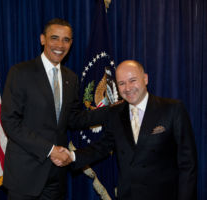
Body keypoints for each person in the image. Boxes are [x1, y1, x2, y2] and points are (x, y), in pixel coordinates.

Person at [1, 18, 108, 200]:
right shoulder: (20, 72)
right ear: (43, 39)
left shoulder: (71, 78)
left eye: (66, 40)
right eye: (55, 38)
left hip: (56, 176)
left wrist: (111, 111)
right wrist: (50, 149)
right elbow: (11, 122)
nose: (60, 45)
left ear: (71, 43)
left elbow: (73, 118)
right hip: (25, 175)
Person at [69, 60, 198, 200]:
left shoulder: (172, 109)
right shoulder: (115, 113)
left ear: (145, 79)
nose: (127, 88)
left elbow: (188, 164)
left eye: (132, 80)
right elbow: (102, 147)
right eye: (121, 83)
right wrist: (72, 156)